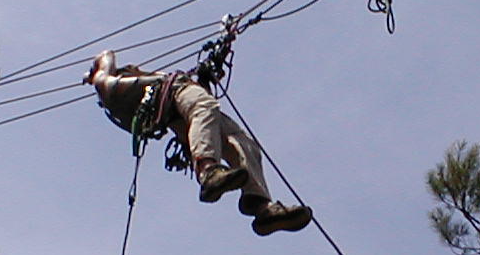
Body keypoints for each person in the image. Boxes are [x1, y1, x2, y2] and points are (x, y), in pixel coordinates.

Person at [86, 50, 312, 236]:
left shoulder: (133, 87)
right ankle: (208, 172)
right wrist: (99, 71)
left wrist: (205, 75)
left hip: (180, 111)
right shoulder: (114, 85)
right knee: (205, 107)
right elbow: (105, 55)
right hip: (175, 95)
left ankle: (261, 206)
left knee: (242, 142)